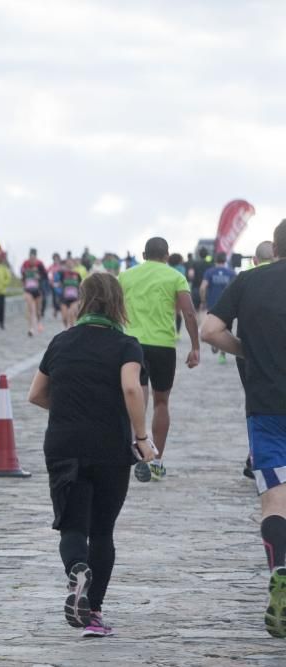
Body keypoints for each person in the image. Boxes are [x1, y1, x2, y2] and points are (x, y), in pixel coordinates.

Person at [28, 272, 152, 638]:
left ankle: (77, 568)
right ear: (118, 303)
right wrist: (142, 437)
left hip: (64, 445)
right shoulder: (126, 344)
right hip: (110, 446)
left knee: (72, 527)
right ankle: (93, 613)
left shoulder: (61, 342)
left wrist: (70, 410)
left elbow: (35, 394)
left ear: (82, 300)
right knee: (102, 531)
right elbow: (132, 387)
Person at [201, 220, 286, 638]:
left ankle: (281, 568)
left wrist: (245, 351)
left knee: (275, 501)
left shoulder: (248, 281)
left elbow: (209, 330)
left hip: (266, 408)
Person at [118, 237, 199, 483]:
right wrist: (195, 346)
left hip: (132, 345)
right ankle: (156, 461)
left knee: (137, 399)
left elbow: (113, 307)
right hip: (163, 345)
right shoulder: (175, 277)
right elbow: (188, 312)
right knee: (161, 403)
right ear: (166, 255)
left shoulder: (126, 277)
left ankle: (137, 449)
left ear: (143, 254)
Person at [236, 240, 276, 480]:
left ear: (255, 260)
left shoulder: (247, 280)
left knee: (254, 403)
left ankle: (255, 456)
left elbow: (213, 328)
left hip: (250, 352)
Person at [200, 251, 236, 364]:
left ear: (215, 260)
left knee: (212, 327)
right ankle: (222, 354)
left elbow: (202, 287)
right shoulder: (231, 273)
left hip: (213, 305)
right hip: (227, 305)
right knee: (226, 330)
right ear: (225, 260)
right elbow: (236, 289)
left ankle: (214, 343)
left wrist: (203, 300)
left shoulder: (209, 272)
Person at [20, 248, 47, 336]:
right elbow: (22, 274)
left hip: (37, 290)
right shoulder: (25, 263)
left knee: (38, 310)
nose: (32, 259)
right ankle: (31, 328)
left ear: (36, 257)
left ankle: (39, 323)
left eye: (34, 257)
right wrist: (23, 282)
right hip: (28, 290)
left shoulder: (40, 264)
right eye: (31, 257)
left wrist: (39, 277)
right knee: (30, 308)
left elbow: (45, 275)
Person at [58, 259, 83, 329]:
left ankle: (71, 330)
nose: (69, 265)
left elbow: (81, 286)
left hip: (75, 298)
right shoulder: (62, 274)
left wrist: (81, 298)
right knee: (64, 318)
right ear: (66, 265)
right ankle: (66, 329)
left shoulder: (77, 274)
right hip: (64, 298)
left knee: (71, 314)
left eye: (71, 263)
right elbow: (58, 284)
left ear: (74, 265)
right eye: (68, 263)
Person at [188, 247, 212, 313]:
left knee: (195, 311)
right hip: (207, 290)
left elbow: (190, 275)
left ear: (199, 254)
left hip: (196, 289)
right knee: (205, 311)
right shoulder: (210, 265)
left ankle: (197, 323)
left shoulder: (195, 263)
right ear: (207, 255)